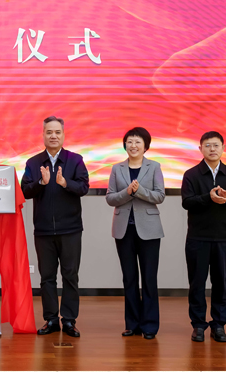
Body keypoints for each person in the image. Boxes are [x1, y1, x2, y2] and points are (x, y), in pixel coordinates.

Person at [21, 116, 89, 337]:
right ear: (43, 135)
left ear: (63, 135)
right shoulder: (33, 163)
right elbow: (24, 191)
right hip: (43, 231)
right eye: (49, 132)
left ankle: (69, 320)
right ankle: (51, 319)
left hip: (70, 229)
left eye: (57, 132)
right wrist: (41, 183)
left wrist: (65, 183)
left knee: (70, 276)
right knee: (47, 277)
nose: (53, 136)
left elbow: (84, 187)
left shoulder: (75, 160)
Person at [181, 131, 226, 343]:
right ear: (200, 149)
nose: (212, 149)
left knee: (221, 284)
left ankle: (218, 325)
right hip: (197, 238)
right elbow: (187, 202)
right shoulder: (191, 174)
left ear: (223, 148)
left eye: (216, 145)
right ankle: (198, 325)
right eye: (207, 145)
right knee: (197, 284)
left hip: (224, 238)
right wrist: (207, 197)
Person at [105, 127, 165, 340]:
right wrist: (128, 192)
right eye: (129, 142)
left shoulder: (154, 166)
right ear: (125, 145)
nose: (133, 145)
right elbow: (110, 198)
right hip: (124, 230)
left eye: (138, 142)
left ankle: (149, 326)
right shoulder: (117, 168)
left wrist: (139, 191)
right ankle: (132, 324)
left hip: (149, 230)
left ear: (145, 146)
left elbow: (159, 196)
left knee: (149, 278)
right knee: (129, 278)